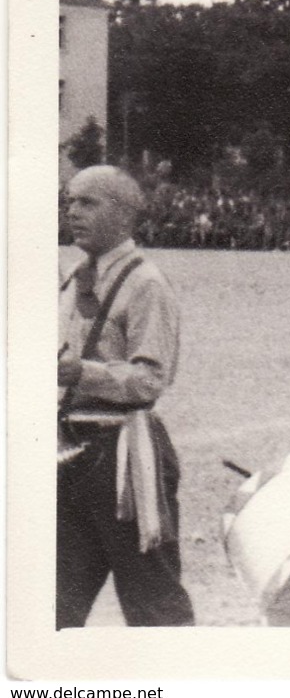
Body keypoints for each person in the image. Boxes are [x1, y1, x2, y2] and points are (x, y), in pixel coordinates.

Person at [57, 166, 196, 628]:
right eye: (70, 200)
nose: (72, 211)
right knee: (52, 606)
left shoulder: (146, 283)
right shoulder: (71, 279)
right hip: (69, 457)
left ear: (122, 213)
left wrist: (82, 373)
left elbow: (150, 380)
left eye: (87, 202)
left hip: (126, 459)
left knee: (153, 606)